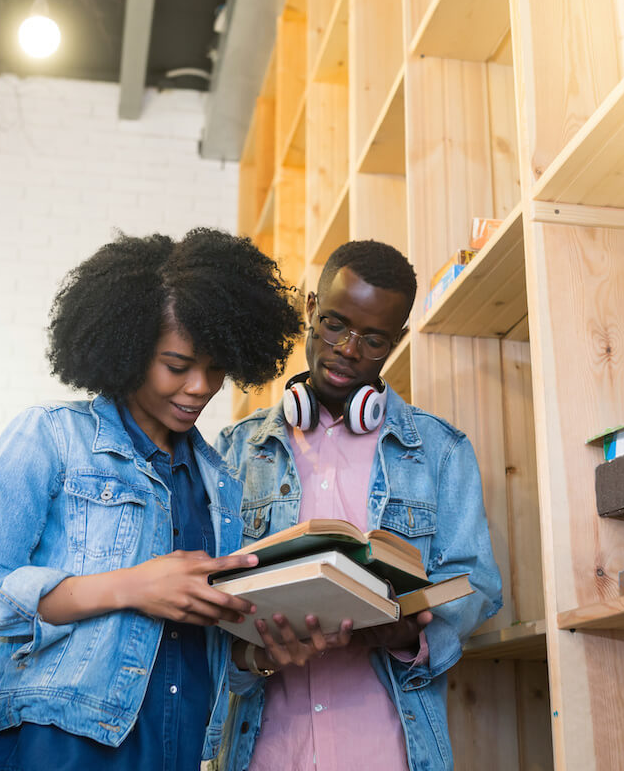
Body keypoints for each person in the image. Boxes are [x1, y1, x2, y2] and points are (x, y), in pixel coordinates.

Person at [0, 229, 304, 771]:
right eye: (177, 365)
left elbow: (195, 650)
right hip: (60, 751)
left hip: (178, 754)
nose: (200, 387)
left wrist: (260, 657)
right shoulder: (49, 437)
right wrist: (130, 587)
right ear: (129, 350)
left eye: (216, 367)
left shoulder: (221, 483)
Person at [215, 240, 503, 771]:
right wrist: (247, 654)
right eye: (334, 324)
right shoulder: (234, 450)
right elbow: (209, 610)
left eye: (373, 340)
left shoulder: (440, 451)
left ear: (397, 342)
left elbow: (477, 584)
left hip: (389, 751)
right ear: (309, 310)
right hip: (268, 751)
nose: (348, 349)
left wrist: (410, 636)